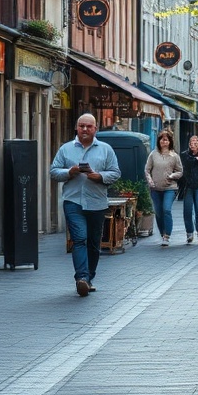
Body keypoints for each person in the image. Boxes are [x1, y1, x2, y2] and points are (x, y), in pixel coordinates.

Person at [49, 113, 121, 297]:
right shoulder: (65, 149)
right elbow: (54, 172)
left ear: (95, 129)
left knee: (93, 243)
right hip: (73, 201)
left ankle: (88, 278)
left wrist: (100, 176)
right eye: (82, 126)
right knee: (79, 239)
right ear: (76, 128)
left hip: (97, 203)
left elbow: (115, 173)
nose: (85, 129)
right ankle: (81, 278)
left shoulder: (105, 149)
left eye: (89, 126)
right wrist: (69, 172)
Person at [145, 130, 184, 246]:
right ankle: (162, 233)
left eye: (166, 139)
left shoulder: (174, 156)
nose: (164, 141)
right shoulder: (153, 154)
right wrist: (150, 181)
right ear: (159, 141)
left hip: (170, 188)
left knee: (166, 209)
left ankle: (167, 236)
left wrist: (172, 175)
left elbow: (180, 171)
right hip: (155, 188)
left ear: (170, 141)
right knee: (158, 212)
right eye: (162, 139)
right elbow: (147, 170)